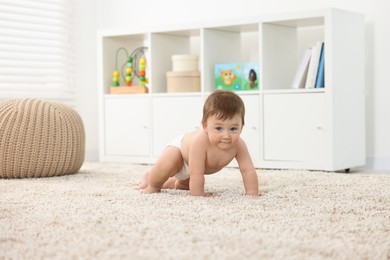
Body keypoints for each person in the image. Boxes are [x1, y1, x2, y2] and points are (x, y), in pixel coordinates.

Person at [138, 90, 259, 197]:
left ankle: (175, 183)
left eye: (233, 129)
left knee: (184, 185)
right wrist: (198, 194)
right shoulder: (201, 142)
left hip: (193, 167)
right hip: (181, 153)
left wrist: (252, 192)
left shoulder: (239, 145)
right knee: (166, 166)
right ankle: (151, 183)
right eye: (218, 129)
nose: (226, 136)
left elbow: (247, 170)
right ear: (205, 126)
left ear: (242, 127)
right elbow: (196, 173)